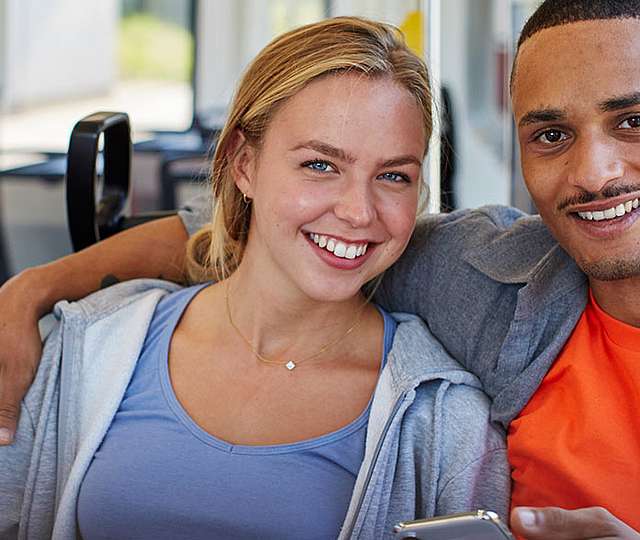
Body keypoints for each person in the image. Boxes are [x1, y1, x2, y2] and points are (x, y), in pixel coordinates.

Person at [1, 0, 638, 538]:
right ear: (243, 164)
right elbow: (234, 236)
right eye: (551, 135)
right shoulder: (484, 274)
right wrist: (33, 288)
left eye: (633, 122)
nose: (595, 174)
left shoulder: (440, 411)